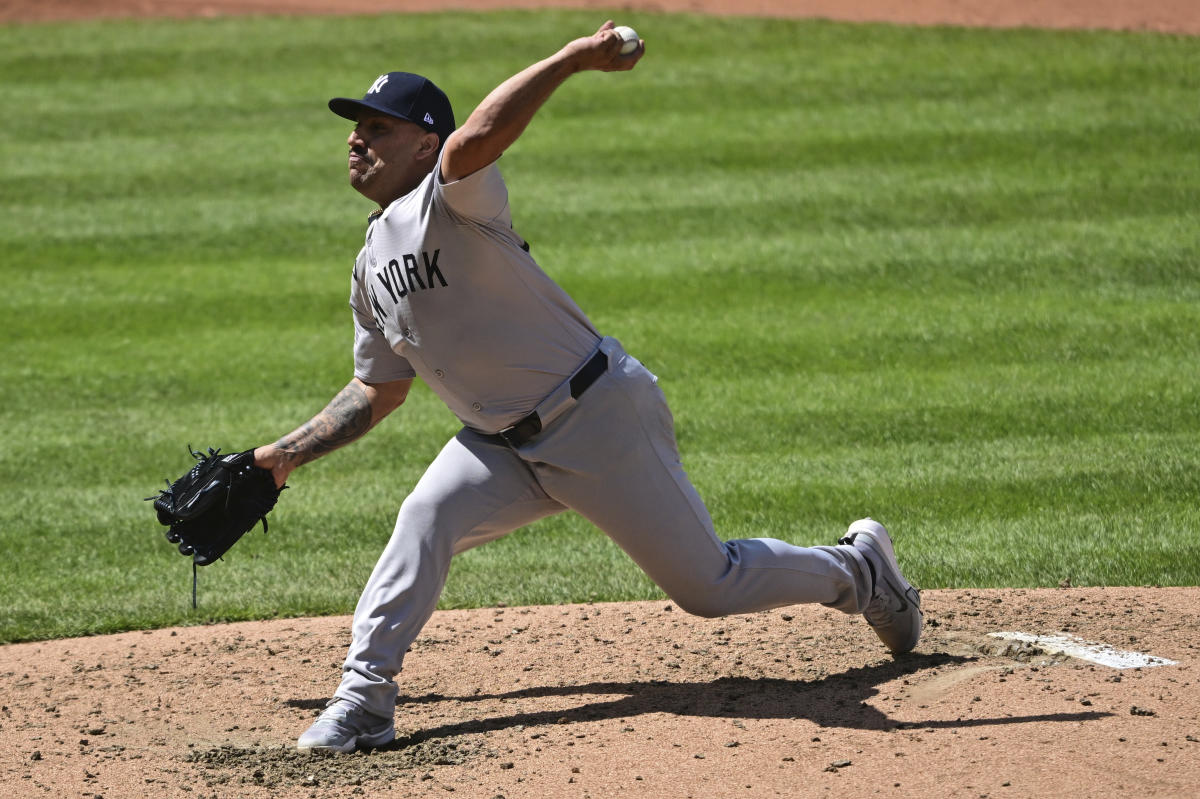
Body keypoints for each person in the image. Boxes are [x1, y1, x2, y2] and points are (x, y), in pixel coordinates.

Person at [250, 21, 922, 754]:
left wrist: (573, 59)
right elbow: (377, 389)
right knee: (424, 518)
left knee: (710, 586)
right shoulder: (367, 267)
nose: (356, 139)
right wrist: (285, 454)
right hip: (500, 444)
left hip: (596, 414)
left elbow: (478, 136)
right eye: (355, 129)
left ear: (423, 143)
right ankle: (364, 701)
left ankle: (858, 569)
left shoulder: (455, 199)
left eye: (377, 127)